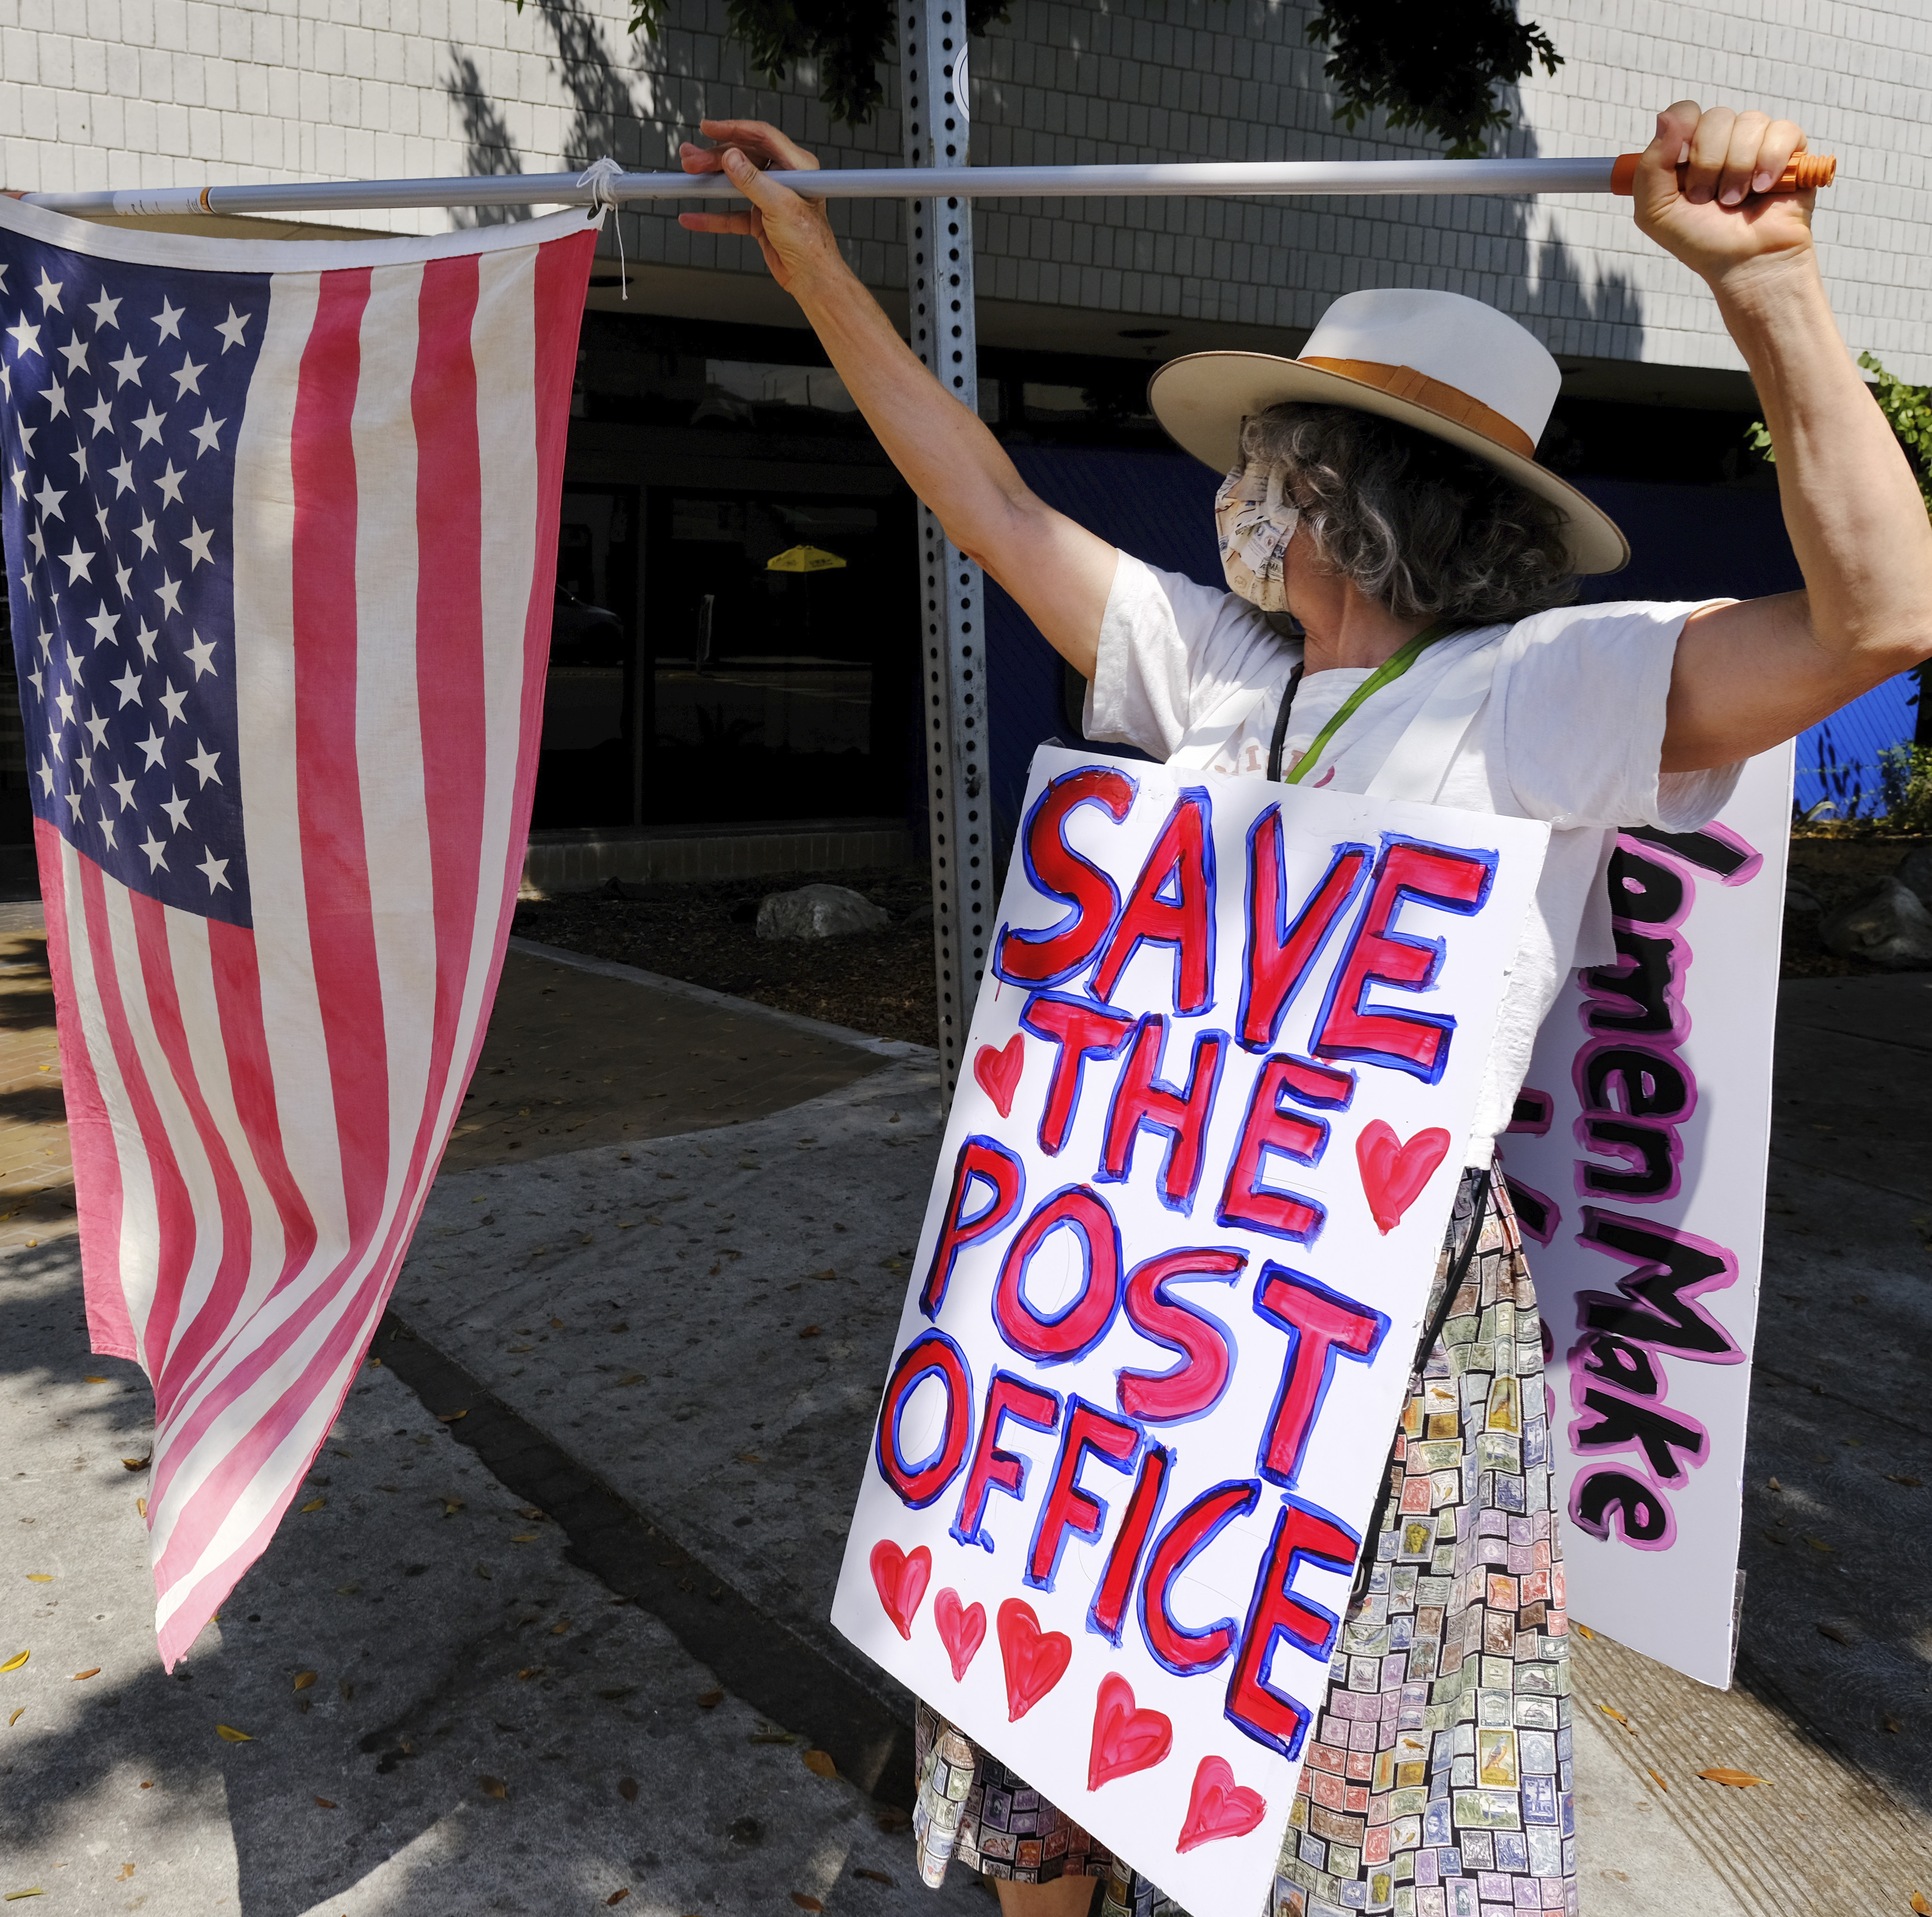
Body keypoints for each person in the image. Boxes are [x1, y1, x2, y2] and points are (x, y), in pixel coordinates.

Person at [679, 99, 1932, 1915]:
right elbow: (991, 499)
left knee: (1357, 1769)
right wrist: (817, 271)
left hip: (1383, 1322)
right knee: (1068, 1674)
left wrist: (1773, 292)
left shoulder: (1542, 692)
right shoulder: (1211, 661)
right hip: (1134, 1289)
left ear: (1341, 489)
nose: (1231, 489)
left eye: (1262, 458)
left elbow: (1878, 620)